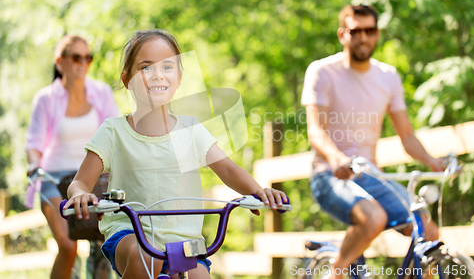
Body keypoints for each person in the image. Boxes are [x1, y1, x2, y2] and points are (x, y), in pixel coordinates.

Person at [63, 29, 288, 279]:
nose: (158, 74)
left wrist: (258, 191)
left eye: (167, 66)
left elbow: (228, 169)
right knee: (144, 258)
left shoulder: (190, 130)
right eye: (146, 67)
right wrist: (81, 194)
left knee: (200, 277)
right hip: (130, 234)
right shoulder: (113, 131)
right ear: (127, 80)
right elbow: (80, 182)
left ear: (179, 77)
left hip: (185, 243)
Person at [301, 5, 445, 278]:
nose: (363, 38)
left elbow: (407, 136)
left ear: (377, 34)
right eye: (356, 31)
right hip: (330, 175)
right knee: (373, 218)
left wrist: (432, 161)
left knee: (428, 230)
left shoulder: (388, 77)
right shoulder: (322, 71)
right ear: (342, 34)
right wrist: (336, 159)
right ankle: (336, 272)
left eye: (370, 31)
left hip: (371, 176)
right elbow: (316, 131)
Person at [26, 34, 120, 279]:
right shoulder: (45, 99)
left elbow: (117, 134)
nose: (83, 63)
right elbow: (34, 144)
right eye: (76, 57)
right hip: (54, 179)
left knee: (105, 246)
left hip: (93, 178)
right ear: (60, 62)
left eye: (88, 57)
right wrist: (34, 164)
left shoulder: (101, 92)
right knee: (68, 246)